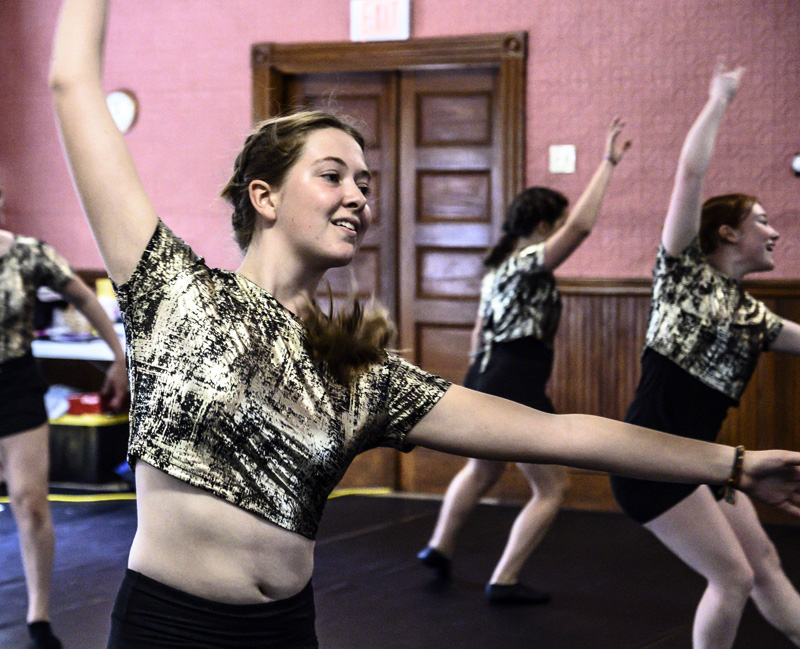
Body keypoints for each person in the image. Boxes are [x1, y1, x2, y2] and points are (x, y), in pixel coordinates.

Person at [49, 4, 800, 647]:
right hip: (166, 627)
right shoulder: (173, 292)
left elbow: (563, 432)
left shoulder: (362, 374)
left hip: (284, 629)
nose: (359, 198)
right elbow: (72, 81)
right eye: (334, 174)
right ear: (265, 196)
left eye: (367, 184)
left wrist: (731, 464)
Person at [609, 62, 800, 649]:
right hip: (651, 456)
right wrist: (720, 99)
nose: (774, 233)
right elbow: (690, 173)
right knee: (734, 576)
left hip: (706, 459)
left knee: (763, 562)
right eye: (762, 222)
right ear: (725, 233)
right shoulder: (683, 273)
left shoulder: (754, 318)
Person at [418, 120, 630, 605]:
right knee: (554, 487)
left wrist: (477, 381)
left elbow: (478, 332)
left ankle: (439, 547)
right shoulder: (529, 261)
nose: (559, 231)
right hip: (515, 378)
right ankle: (505, 578)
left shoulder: (496, 269)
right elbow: (580, 226)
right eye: (553, 226)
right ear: (541, 228)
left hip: (486, 373)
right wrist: (608, 164)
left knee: (483, 471)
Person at [0, 186, 128, 649]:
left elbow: (88, 300)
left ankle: (38, 617)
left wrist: (119, 358)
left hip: (14, 384)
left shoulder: (28, 255)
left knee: (30, 502)